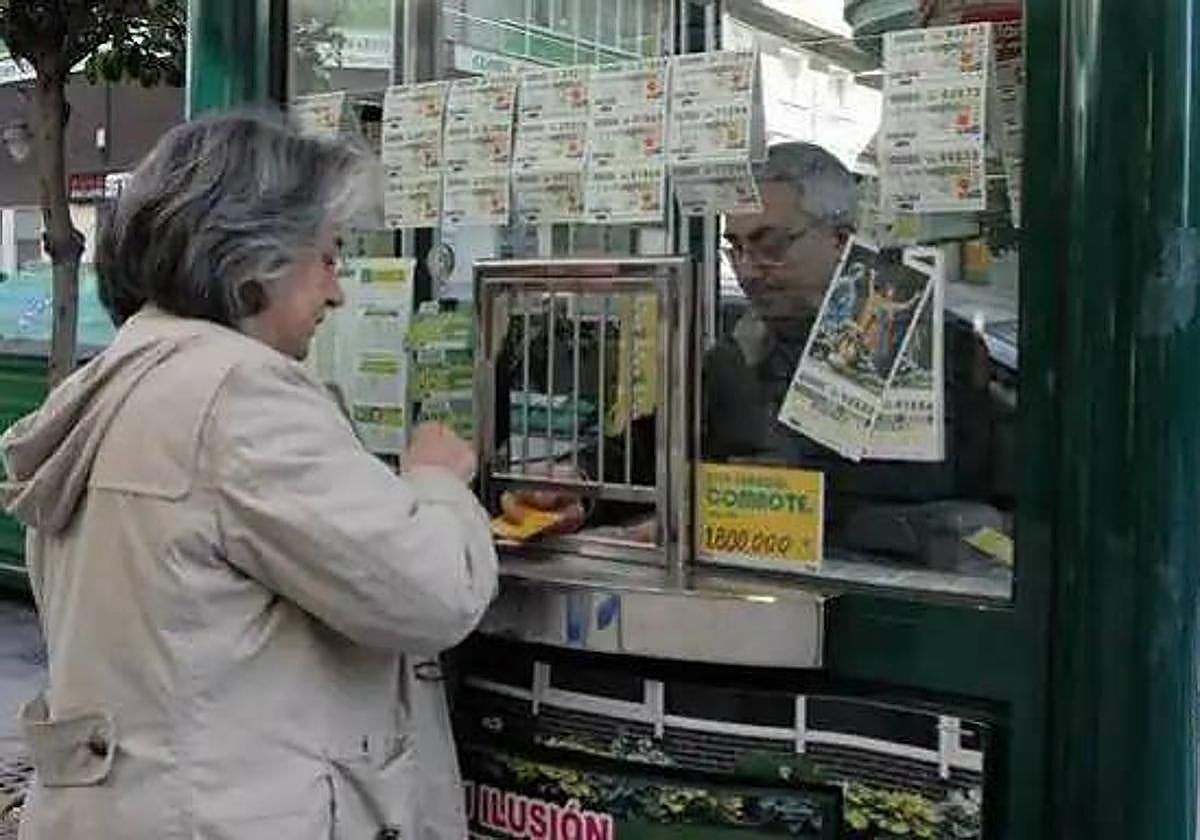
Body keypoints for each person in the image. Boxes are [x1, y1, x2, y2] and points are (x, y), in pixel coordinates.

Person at [0, 112, 497, 839]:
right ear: (253, 262)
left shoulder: (121, 383)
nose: (338, 293)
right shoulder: (238, 397)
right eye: (327, 257)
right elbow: (431, 592)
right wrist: (435, 482)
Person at [503, 141, 1005, 566]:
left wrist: (711, 514)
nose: (747, 268)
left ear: (840, 239)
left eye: (771, 245)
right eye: (735, 248)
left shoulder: (923, 341)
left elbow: (898, 488)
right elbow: (669, 440)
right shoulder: (745, 344)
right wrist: (582, 479)